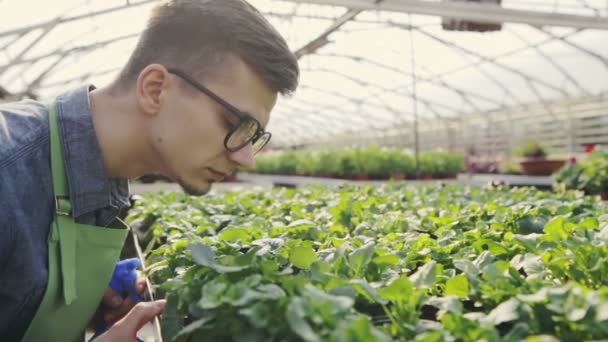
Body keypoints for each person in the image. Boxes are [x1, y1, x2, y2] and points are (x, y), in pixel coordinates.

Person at [0, 0, 299, 340]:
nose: (247, 158)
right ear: (155, 89)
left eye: (255, 136)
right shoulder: (6, 169)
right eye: (237, 124)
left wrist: (80, 302)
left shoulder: (109, 173)